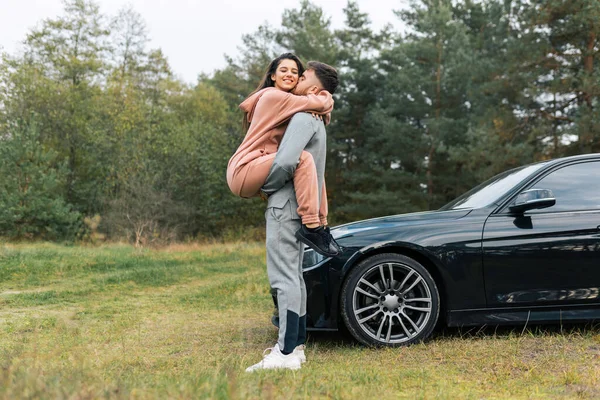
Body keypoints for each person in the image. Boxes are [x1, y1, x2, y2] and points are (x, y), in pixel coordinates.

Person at [243, 60, 340, 372]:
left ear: (314, 88)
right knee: (294, 277)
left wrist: (266, 187)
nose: (296, 79)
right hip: (299, 207)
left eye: (303, 75)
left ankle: (284, 354)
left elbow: (285, 162)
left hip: (284, 206)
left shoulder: (301, 116)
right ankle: (295, 347)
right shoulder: (318, 119)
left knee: (283, 278)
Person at [226, 53, 339, 257]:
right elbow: (324, 103)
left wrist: (316, 104)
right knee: (303, 158)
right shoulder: (273, 96)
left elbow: (318, 105)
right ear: (273, 77)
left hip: (259, 164)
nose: (290, 75)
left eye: (296, 72)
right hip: (244, 168)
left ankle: (321, 224)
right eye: (283, 70)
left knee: (312, 167)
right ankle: (312, 226)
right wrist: (321, 102)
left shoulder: (292, 102)